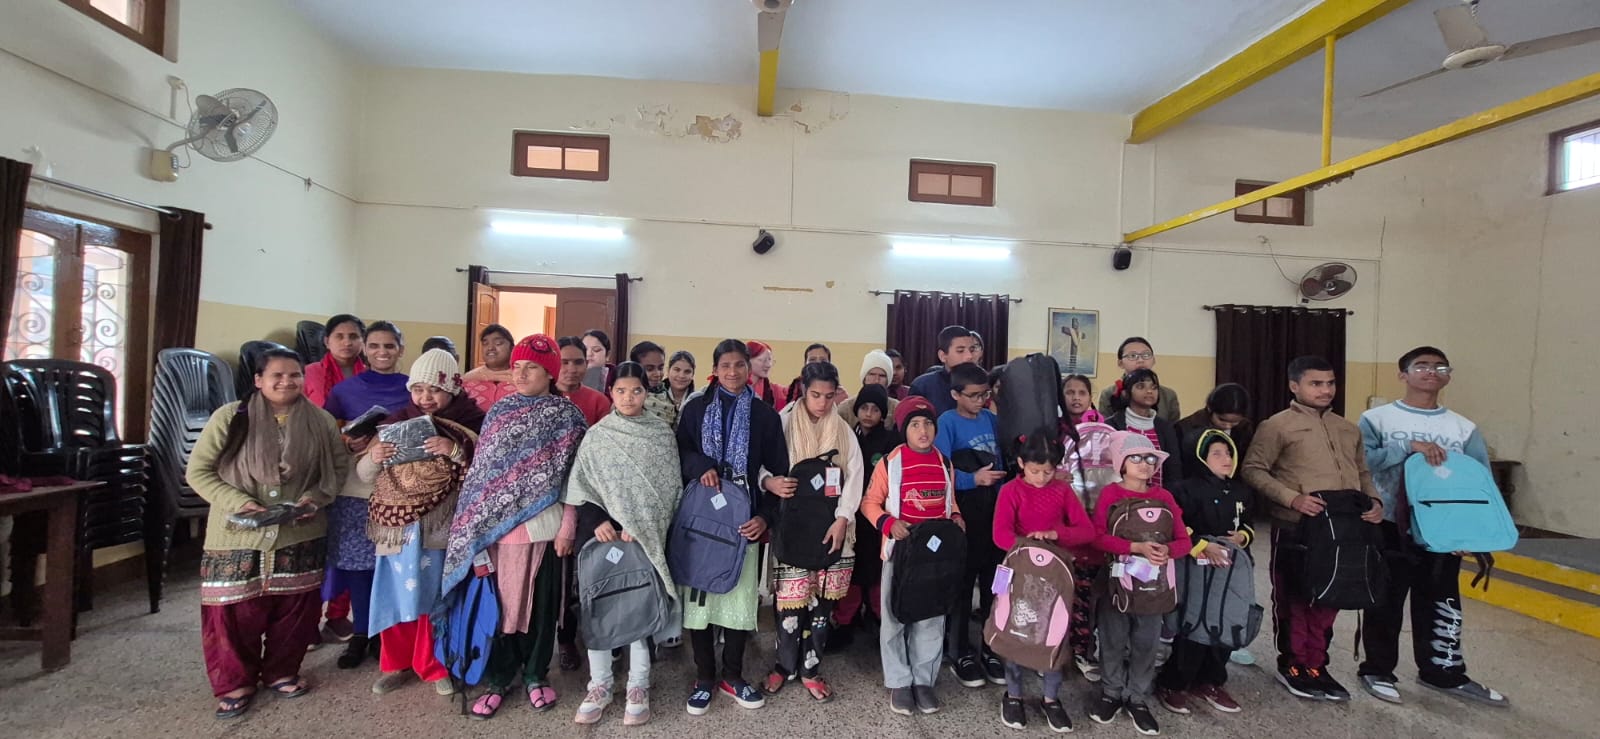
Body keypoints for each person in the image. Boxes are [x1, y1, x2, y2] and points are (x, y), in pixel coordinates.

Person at [186, 347, 346, 719]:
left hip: (300, 530)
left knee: (296, 608)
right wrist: (237, 501)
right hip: (236, 532)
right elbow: (199, 471)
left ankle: (281, 671)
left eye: (294, 375)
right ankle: (234, 682)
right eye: (277, 375)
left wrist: (314, 497)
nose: (287, 382)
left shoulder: (320, 420)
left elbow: (337, 470)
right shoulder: (230, 417)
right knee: (233, 611)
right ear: (259, 380)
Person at [439, 334, 587, 720]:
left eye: (531, 367)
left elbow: (577, 478)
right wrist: (475, 526)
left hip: (544, 529)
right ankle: (499, 679)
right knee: (499, 605)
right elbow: (483, 476)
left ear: (550, 373)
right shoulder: (499, 412)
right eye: (517, 367)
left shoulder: (568, 416)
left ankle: (537, 674)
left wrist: (569, 525)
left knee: (540, 607)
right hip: (497, 532)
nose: (521, 374)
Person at [1356, 347, 1506, 707]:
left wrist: (1471, 534)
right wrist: (1408, 447)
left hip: (1443, 531)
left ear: (1448, 376)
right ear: (1403, 374)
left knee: (1441, 601)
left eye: (1440, 367)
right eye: (1421, 366)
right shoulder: (1377, 419)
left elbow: (1480, 482)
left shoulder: (1463, 427)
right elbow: (1362, 462)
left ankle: (1443, 671)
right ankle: (1377, 670)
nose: (1431, 372)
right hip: (1391, 524)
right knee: (1385, 600)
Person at [1241, 355, 1382, 703]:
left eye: (1330, 383)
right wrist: (1292, 499)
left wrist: (1375, 501)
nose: (1325, 390)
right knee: (1295, 597)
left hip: (1345, 528)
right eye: (1315, 383)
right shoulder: (1277, 425)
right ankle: (1292, 664)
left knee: (1331, 595)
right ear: (1294, 386)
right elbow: (1253, 469)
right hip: (1298, 527)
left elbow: (1363, 472)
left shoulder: (1348, 428)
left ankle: (1317, 665)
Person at [676, 339, 793, 716]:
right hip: (701, 519)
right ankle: (704, 677)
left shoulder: (765, 416)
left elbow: (779, 471)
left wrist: (766, 517)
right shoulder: (696, 408)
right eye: (725, 365)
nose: (732, 372)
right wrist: (700, 466)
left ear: (749, 369)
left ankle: (732, 675)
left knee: (739, 601)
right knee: (700, 603)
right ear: (715, 369)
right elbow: (680, 452)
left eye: (739, 365)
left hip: (745, 520)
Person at [565, 362, 684, 727]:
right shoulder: (597, 436)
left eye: (636, 390)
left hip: (642, 536)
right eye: (621, 391)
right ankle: (599, 685)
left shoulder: (660, 434)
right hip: (602, 537)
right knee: (601, 608)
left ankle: (638, 685)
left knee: (638, 607)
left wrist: (640, 526)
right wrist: (598, 522)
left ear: (646, 393)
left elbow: (670, 490)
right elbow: (582, 487)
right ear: (611, 393)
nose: (628, 397)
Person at [361, 349, 484, 696]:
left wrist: (455, 450)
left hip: (439, 529)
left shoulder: (473, 422)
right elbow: (364, 474)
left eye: (435, 389)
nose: (425, 397)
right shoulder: (396, 422)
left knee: (434, 596)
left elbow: (487, 473)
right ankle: (395, 664)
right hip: (396, 530)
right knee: (395, 594)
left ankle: (433, 665)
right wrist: (374, 456)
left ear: (453, 388)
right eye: (418, 389)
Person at [764, 361, 864, 702]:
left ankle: (810, 669)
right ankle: (783, 666)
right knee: (789, 606)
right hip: (793, 526)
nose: (822, 402)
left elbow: (855, 478)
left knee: (822, 609)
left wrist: (843, 518)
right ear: (803, 391)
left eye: (829, 395)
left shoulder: (844, 432)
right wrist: (769, 481)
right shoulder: (783, 423)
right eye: (815, 395)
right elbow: (762, 461)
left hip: (832, 528)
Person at [860, 396, 965, 716]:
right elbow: (869, 503)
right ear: (904, 429)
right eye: (915, 425)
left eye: (928, 424)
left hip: (935, 558)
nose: (923, 431)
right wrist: (888, 523)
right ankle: (899, 681)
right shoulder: (890, 462)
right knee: (895, 618)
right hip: (901, 554)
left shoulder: (944, 463)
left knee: (931, 617)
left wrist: (957, 517)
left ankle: (923, 680)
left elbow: (951, 501)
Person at [1087, 432, 1192, 737]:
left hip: (1153, 587)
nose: (1144, 464)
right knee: (1113, 638)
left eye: (1149, 459)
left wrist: (1166, 551)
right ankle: (1111, 692)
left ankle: (1137, 696)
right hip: (1117, 583)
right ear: (1121, 463)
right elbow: (1098, 537)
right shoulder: (1111, 494)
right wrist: (1134, 548)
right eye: (1136, 458)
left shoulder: (1164, 497)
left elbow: (1184, 541)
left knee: (1147, 641)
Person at [992, 432, 1096, 733]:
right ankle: (1013, 694)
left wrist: (1055, 535)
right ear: (1021, 463)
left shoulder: (1062, 490)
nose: (1040, 478)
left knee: (1054, 632)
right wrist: (1030, 547)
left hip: (1055, 575)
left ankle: (1051, 697)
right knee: (1014, 630)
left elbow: (1086, 531)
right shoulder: (1010, 491)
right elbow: (1000, 534)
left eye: (1048, 472)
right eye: (1035, 471)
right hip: (1020, 571)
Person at [320, 321, 411, 659]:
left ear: (400, 349)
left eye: (389, 346)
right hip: (355, 487)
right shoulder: (344, 391)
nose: (381, 352)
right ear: (364, 350)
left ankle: (388, 635)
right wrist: (347, 440)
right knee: (358, 565)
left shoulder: (413, 388)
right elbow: (327, 436)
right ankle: (361, 632)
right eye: (374, 346)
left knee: (394, 564)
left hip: (401, 488)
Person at [1154, 430, 1255, 716]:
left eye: (1228, 452)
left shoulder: (1241, 491)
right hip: (1196, 567)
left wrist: (1242, 537)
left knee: (1225, 621)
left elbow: (1248, 524)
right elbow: (1174, 525)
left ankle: (1210, 680)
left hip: (1229, 569)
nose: (1226, 459)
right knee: (1194, 625)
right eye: (1217, 453)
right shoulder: (1183, 490)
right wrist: (1201, 545)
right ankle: (1174, 683)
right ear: (1200, 457)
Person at [933, 362, 1006, 687]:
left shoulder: (991, 419)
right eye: (973, 395)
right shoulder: (947, 422)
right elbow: (941, 470)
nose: (980, 401)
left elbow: (1003, 463)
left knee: (994, 584)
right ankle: (959, 651)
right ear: (955, 394)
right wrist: (972, 479)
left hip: (994, 513)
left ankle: (991, 647)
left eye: (984, 395)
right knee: (962, 586)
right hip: (965, 513)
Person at [831, 384, 901, 651]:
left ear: (883, 414)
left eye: (875, 409)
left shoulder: (892, 442)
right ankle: (845, 623)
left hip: (879, 519)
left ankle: (879, 623)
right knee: (851, 572)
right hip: (851, 518)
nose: (869, 414)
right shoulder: (849, 437)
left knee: (877, 574)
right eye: (864, 408)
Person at [1105, 368, 1184, 490]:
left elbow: (1174, 469)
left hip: (1159, 496)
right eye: (1141, 386)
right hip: (1122, 495)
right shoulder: (1111, 425)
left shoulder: (1166, 428)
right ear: (1125, 393)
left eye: (1154, 387)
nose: (1149, 391)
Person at [1176, 383, 1256, 480]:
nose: (1227, 426)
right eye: (1222, 420)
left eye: (1234, 422)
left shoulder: (1244, 428)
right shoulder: (1185, 428)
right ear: (1210, 409)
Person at [1097, 338, 1181, 422]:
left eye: (1146, 355)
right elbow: (1105, 427)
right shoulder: (1109, 393)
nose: (1141, 360)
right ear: (1120, 363)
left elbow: (1173, 428)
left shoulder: (1168, 395)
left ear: (1154, 360)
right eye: (1133, 356)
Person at [909, 325, 981, 417]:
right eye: (960, 351)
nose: (969, 356)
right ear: (942, 356)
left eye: (972, 350)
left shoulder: (984, 384)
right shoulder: (923, 386)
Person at [304, 314, 366, 408]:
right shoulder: (310, 372)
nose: (347, 343)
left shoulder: (370, 374)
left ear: (363, 342)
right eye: (339, 336)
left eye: (353, 336)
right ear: (327, 342)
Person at [557, 336, 615, 428]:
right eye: (564, 362)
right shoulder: (541, 397)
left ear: (586, 364)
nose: (572, 370)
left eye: (578, 362)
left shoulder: (599, 401)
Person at [837, 349, 900, 429]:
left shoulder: (897, 408)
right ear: (864, 378)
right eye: (872, 374)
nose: (876, 380)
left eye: (882, 376)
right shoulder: (845, 409)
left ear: (888, 380)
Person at [462, 324, 517, 413]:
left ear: (512, 348)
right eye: (485, 344)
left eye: (498, 343)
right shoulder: (467, 380)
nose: (490, 348)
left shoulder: (522, 380)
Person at [782, 343, 839, 411]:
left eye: (823, 360)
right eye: (812, 360)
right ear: (805, 363)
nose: (817, 363)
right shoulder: (793, 390)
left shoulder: (840, 393)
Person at [744, 340, 787, 408]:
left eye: (769, 360)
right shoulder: (735, 387)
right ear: (747, 361)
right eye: (762, 360)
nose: (768, 365)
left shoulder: (775, 391)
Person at [661, 350, 697, 425]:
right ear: (668, 371)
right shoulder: (654, 397)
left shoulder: (697, 402)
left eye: (687, 371)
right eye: (677, 370)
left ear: (693, 374)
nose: (681, 376)